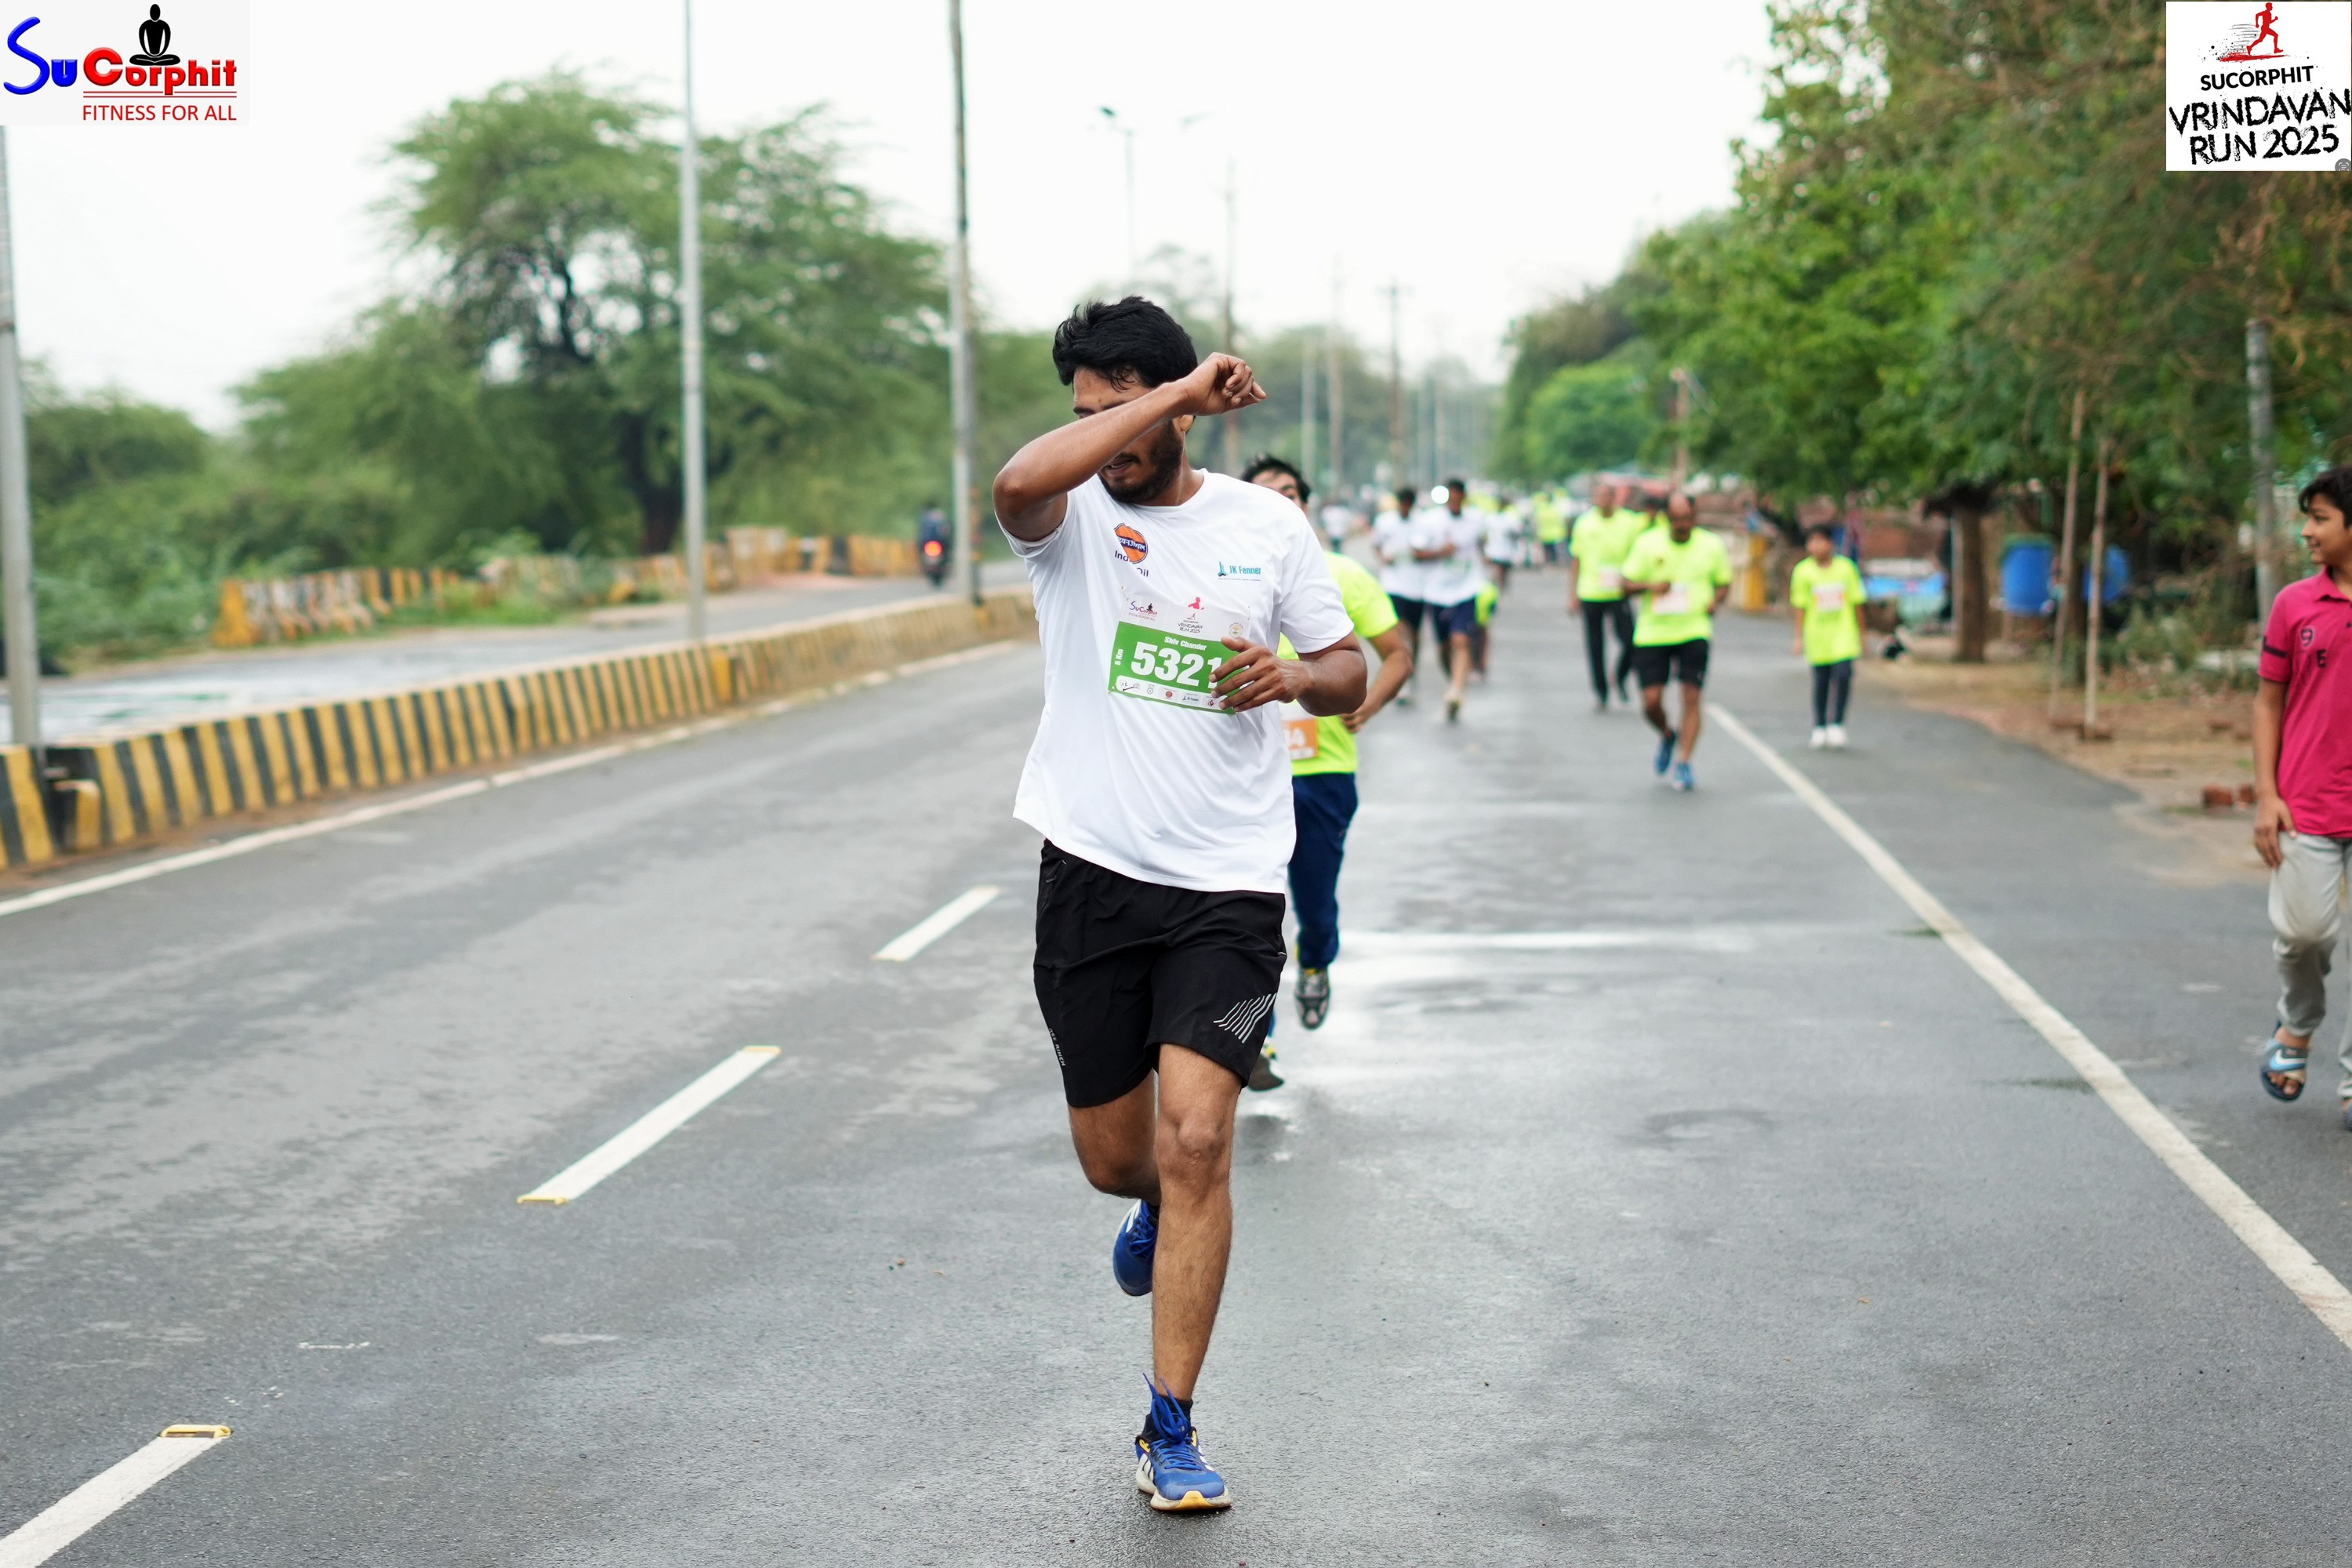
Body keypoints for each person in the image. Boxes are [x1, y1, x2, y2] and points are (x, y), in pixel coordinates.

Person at [991, 297, 1366, 1514]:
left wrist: (1295, 674)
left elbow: (1349, 668)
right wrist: (1164, 397)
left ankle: (1171, 1426)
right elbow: (1016, 481)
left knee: (1200, 1139)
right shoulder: (1069, 522)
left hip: (1230, 885)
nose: (1105, 431)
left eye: (1126, 406)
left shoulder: (1265, 526)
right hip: (1093, 877)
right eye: (1089, 410)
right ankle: (1151, 1202)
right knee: (1123, 1161)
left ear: (1181, 417)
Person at [1242, 455, 1414, 1062]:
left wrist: (1368, 704)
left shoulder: (1343, 574)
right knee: (1248, 913)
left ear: (1306, 504)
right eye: (1265, 495)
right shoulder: (1227, 576)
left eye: (1289, 492)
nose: (1281, 503)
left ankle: (1315, 961)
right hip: (1244, 775)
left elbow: (1397, 654)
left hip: (1322, 773)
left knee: (1313, 908)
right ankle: (1256, 1037)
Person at [2254, 468, 2352, 1126]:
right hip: (2306, 803)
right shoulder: (2295, 603)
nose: (2307, 532)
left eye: (2319, 518)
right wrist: (2267, 794)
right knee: (2303, 935)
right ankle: (2298, 1020)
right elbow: (2268, 701)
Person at [1620, 491, 1733, 790]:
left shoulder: (1711, 545)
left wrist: (1716, 602)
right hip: (1653, 632)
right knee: (1651, 702)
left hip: (1694, 630)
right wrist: (1650, 586)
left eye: (1687, 518)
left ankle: (1684, 762)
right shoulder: (1648, 543)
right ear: (1666, 518)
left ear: (1695, 517)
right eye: (1676, 519)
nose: (1682, 524)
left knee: (1691, 697)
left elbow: (1723, 582)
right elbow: (1625, 584)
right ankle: (1668, 734)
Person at [1788, 522, 1867, 749]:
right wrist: (1798, 637)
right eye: (1811, 542)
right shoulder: (1803, 572)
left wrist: (1862, 634)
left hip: (1843, 632)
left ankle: (1837, 723)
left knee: (1843, 675)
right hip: (1818, 635)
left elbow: (1857, 602)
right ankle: (1820, 725)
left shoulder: (1846, 569)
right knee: (1821, 680)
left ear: (1831, 544)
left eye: (1820, 541)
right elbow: (1800, 606)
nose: (1815, 546)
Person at [1414, 478, 1486, 721]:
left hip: (1466, 589)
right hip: (1437, 592)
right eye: (1450, 497)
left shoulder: (1476, 520)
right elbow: (1417, 553)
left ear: (1464, 498)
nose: (1454, 502)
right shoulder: (1430, 521)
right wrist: (1441, 552)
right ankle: (1454, 680)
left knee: (1461, 640)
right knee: (1444, 647)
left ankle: (1456, 690)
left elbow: (1482, 545)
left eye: (1458, 497)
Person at [1568, 481, 1642, 710]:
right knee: (1595, 645)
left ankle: (1619, 676)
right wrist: (1573, 594)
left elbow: (1640, 554)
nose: (1603, 500)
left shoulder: (1629, 522)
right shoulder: (1584, 523)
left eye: (1607, 496)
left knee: (1631, 640)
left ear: (1614, 498)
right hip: (1591, 590)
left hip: (1619, 590)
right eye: (1599, 496)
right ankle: (1601, 691)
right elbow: (1577, 560)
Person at [1373, 487, 1427, 702]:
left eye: (1408, 504)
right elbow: (1376, 545)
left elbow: (1428, 548)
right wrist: (1383, 557)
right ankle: (1402, 678)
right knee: (1401, 630)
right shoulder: (1385, 522)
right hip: (1393, 585)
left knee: (1414, 635)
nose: (1405, 508)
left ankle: (1411, 670)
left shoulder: (1422, 523)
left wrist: (1421, 554)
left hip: (1417, 586)